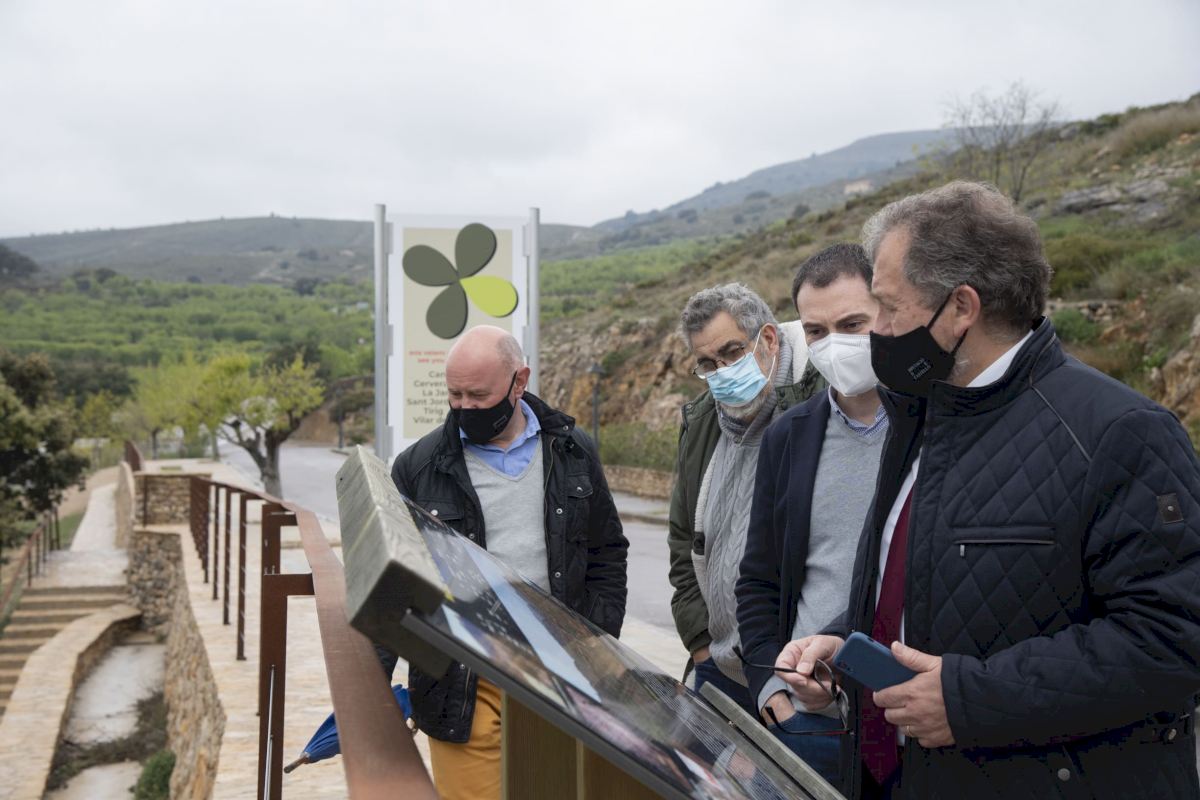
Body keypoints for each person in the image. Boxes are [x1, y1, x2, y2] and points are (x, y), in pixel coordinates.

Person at [775, 181, 1200, 799]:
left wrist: (970, 699)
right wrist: (847, 643)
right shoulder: (921, 415)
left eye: (889, 308)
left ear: (961, 308)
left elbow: (1173, 640)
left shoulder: (1120, 432)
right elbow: (936, 586)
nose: (879, 331)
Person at [386, 325, 629, 800]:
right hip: (462, 682)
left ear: (520, 381)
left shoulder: (573, 450)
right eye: (454, 394)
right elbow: (395, 580)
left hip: (563, 674)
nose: (464, 407)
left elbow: (607, 551)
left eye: (478, 395)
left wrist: (598, 640)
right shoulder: (416, 467)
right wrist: (376, 685)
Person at [736, 243, 886, 787]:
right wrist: (770, 688)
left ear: (888, 314)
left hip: (900, 718)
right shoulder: (789, 436)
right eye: (817, 331)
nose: (835, 344)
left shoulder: (936, 430)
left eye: (853, 325)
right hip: (805, 722)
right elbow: (759, 578)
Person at [668, 283, 824, 716]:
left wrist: (781, 683)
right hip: (719, 669)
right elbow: (683, 541)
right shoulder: (703, 421)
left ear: (768, 339)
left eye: (732, 352)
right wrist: (701, 646)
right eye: (708, 363)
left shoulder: (820, 404)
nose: (722, 371)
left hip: (797, 678)